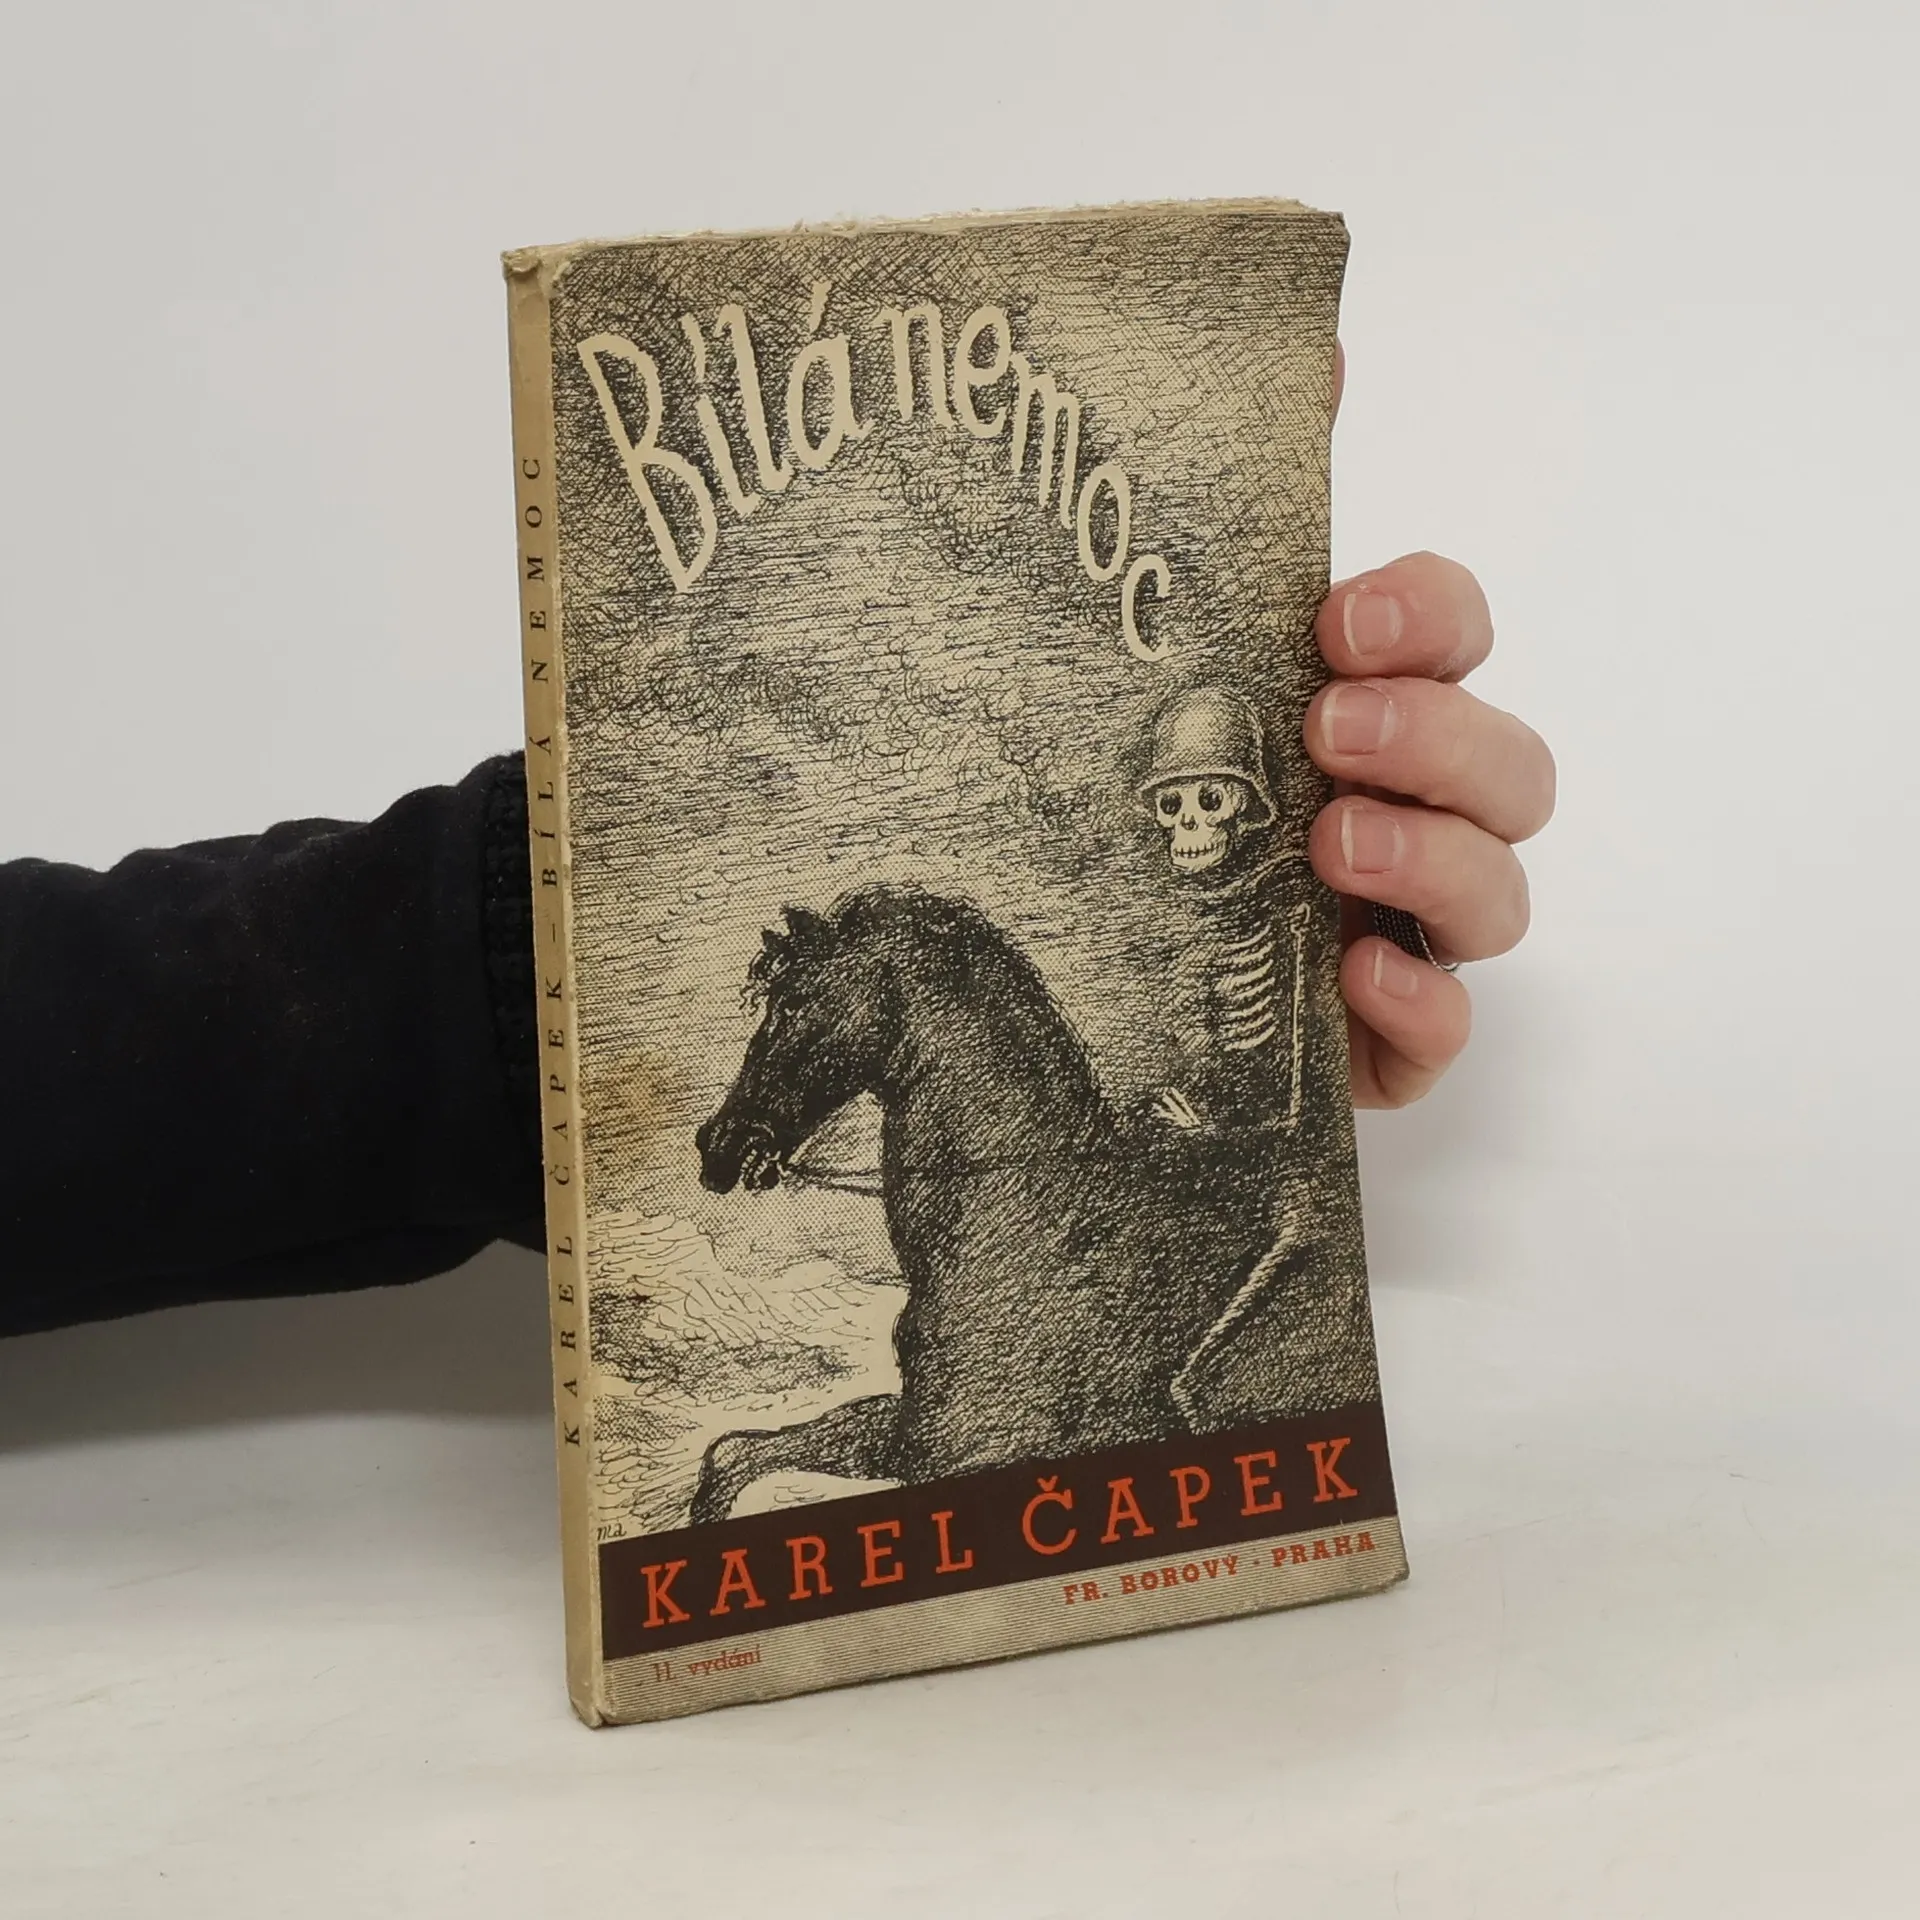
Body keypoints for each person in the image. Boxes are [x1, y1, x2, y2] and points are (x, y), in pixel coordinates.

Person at [0, 546, 1553, 1341]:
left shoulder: (1214, 914)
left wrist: (541, 938)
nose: (1203, 828)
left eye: (1223, 805)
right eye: (1188, 804)